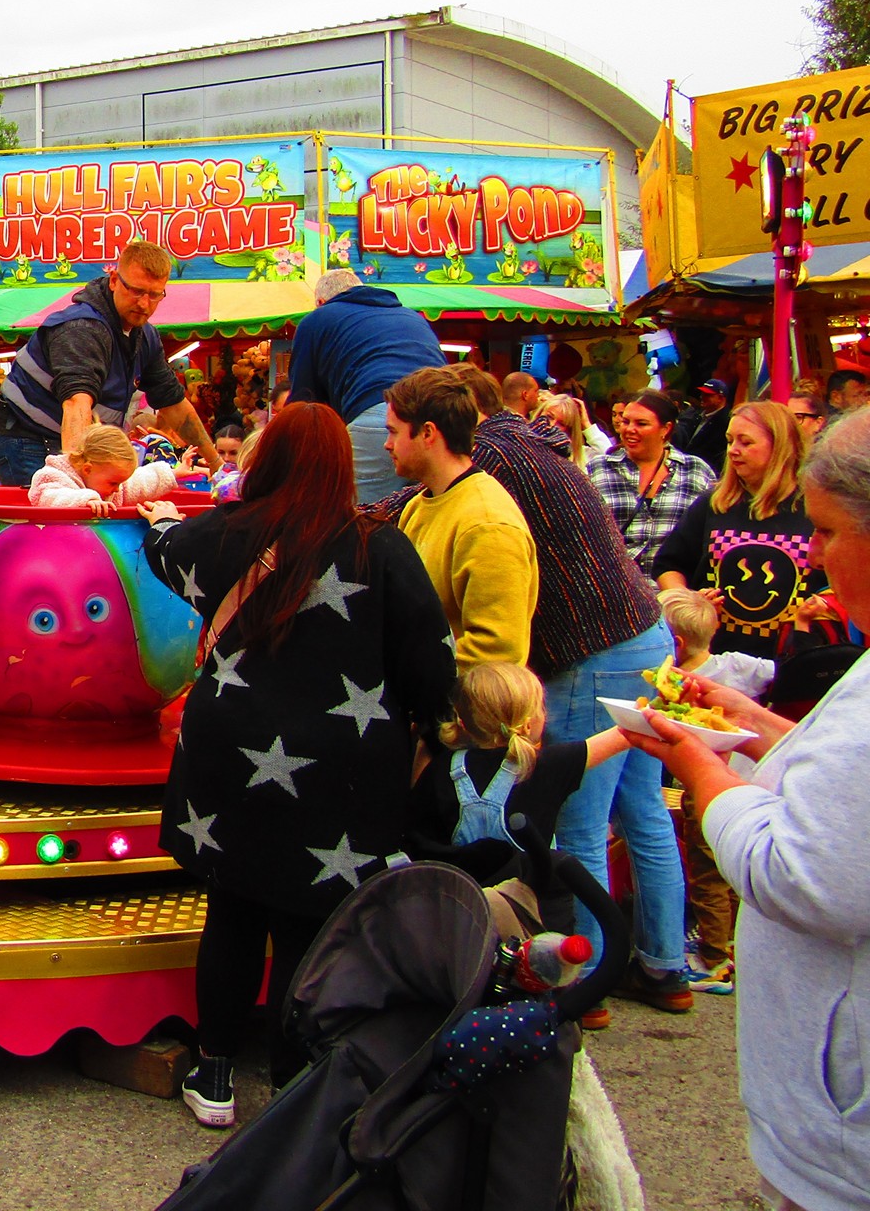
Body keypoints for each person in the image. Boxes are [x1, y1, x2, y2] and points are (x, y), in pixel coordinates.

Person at [139, 403, 456, 1127]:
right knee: (308, 927)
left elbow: (165, 549)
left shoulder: (229, 532)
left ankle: (215, 1072)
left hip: (230, 753)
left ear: (268, 457)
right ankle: (293, 1081)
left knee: (232, 911)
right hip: (345, 768)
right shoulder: (382, 546)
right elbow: (431, 666)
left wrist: (159, 518)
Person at [627, 405, 870, 1211]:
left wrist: (702, 769)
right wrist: (757, 728)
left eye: (827, 534)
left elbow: (803, 873)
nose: (817, 558)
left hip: (843, 1144)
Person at [430, 364, 686, 1018]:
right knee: (645, 812)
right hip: (645, 632)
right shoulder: (532, 440)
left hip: (590, 649)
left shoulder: (488, 455)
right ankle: (664, 967)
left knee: (579, 824)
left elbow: (410, 497)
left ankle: (584, 979)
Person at [0, 241, 216, 487]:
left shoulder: (145, 337)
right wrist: (78, 485)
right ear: (114, 280)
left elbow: (173, 403)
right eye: (136, 291)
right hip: (28, 441)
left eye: (154, 295)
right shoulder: (81, 329)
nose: (144, 303)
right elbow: (76, 404)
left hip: (72, 442)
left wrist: (216, 464)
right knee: (66, 506)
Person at [383, 367, 538, 668]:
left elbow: (497, 653)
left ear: (427, 433)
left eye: (393, 431)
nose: (387, 444)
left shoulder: (487, 525)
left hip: (462, 698)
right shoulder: (420, 505)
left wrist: (409, 675)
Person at [658, 587, 771, 995]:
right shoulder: (738, 665)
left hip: (705, 788)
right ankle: (734, 945)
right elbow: (779, 671)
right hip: (751, 780)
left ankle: (712, 958)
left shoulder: (676, 684)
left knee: (708, 874)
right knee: (738, 871)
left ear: (676, 643)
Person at [655, 400, 827, 662]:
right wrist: (690, 602)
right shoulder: (714, 503)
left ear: (780, 447)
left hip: (795, 658)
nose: (733, 450)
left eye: (746, 442)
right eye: (729, 441)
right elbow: (668, 565)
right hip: (714, 658)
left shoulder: (815, 507)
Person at [409, 662, 632, 862]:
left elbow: (419, 838)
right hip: (527, 892)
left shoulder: (441, 769)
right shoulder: (546, 765)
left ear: (463, 723)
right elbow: (626, 733)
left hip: (462, 892)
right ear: (527, 725)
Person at [286, 269, 446, 506]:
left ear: (320, 302)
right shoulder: (412, 316)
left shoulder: (318, 319)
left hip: (380, 416)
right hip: (442, 420)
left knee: (363, 519)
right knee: (430, 515)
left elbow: (304, 403)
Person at [588, 390, 718, 573]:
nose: (629, 429)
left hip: (673, 587)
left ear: (666, 429)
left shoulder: (696, 472)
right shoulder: (597, 469)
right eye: (625, 421)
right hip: (614, 584)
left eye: (641, 423)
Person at [27, 422, 187, 515]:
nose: (117, 489)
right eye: (113, 483)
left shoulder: (107, 482)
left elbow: (140, 482)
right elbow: (51, 498)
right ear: (87, 469)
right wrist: (87, 500)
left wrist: (172, 474)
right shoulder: (53, 476)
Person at [677, 377, 734, 475]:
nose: (702, 397)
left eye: (708, 395)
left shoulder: (727, 422)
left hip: (704, 473)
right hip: (686, 468)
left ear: (720, 398)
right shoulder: (697, 415)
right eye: (702, 393)